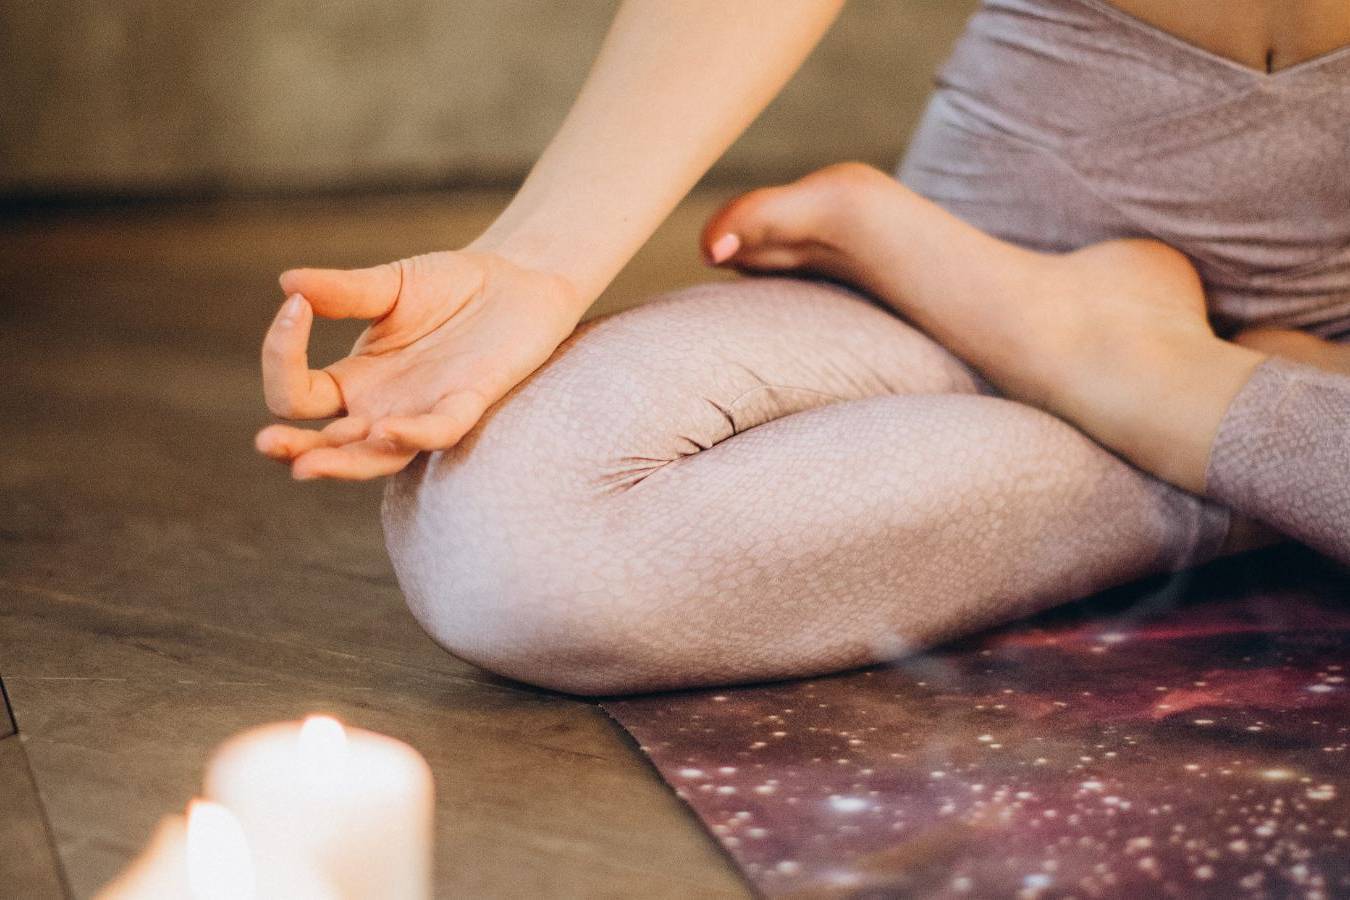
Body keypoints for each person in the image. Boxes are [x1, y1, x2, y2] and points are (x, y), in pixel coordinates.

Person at [255, 0, 1350, 694]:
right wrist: (543, 261)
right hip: (986, 260)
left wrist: (1217, 402)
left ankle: (1158, 381)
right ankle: (1219, 408)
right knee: (499, 540)